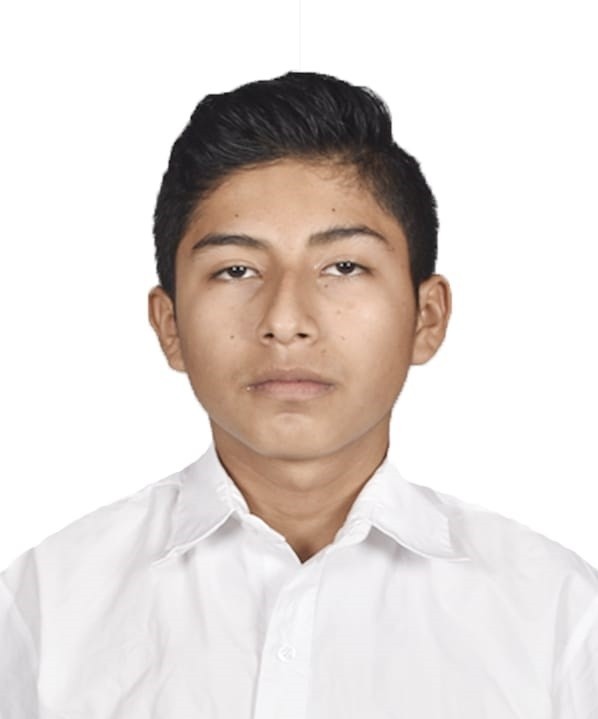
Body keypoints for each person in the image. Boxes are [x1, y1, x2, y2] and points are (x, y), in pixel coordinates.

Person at [1, 71, 596, 718]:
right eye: (236, 269)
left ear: (426, 317)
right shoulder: (42, 610)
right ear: (170, 326)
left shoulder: (557, 616)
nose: (285, 320)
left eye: (344, 266)